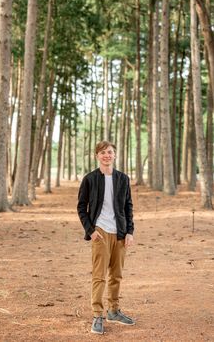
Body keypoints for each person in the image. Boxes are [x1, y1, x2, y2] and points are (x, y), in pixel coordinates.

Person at [77, 140, 135, 335]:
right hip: (100, 233)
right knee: (99, 276)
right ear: (97, 156)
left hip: (119, 233)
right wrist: (90, 230)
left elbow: (128, 207)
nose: (106, 155)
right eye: (102, 152)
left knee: (116, 275)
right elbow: (81, 207)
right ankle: (97, 315)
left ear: (114, 155)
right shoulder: (90, 179)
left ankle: (114, 311)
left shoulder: (123, 179)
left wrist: (129, 231)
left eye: (109, 152)